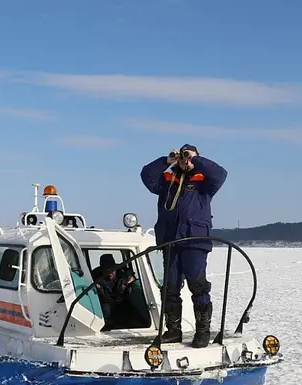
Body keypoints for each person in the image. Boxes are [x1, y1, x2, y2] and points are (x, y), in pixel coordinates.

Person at [140, 144, 228, 348]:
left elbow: (220, 174)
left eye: (187, 156)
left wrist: (195, 160)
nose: (184, 160)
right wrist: (167, 160)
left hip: (194, 241)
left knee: (198, 286)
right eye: (183, 156)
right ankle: (173, 331)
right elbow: (147, 176)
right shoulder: (168, 182)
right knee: (169, 287)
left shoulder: (204, 183)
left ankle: (202, 331)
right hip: (170, 241)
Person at [92, 254, 136, 330]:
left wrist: (128, 281)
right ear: (102, 270)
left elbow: (131, 275)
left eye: (112, 270)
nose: (110, 273)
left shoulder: (123, 274)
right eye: (107, 271)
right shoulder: (95, 277)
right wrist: (96, 285)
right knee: (106, 310)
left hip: (121, 301)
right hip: (105, 302)